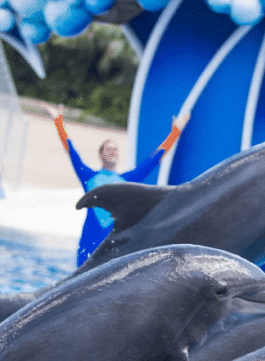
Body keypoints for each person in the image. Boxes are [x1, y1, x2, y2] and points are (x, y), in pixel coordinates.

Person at [45, 104, 189, 266]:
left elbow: (154, 159)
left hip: (114, 245)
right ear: (100, 155)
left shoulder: (128, 180)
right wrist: (58, 121)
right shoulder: (88, 177)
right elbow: (71, 152)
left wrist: (175, 132)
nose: (113, 152)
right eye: (108, 150)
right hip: (89, 244)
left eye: (115, 150)